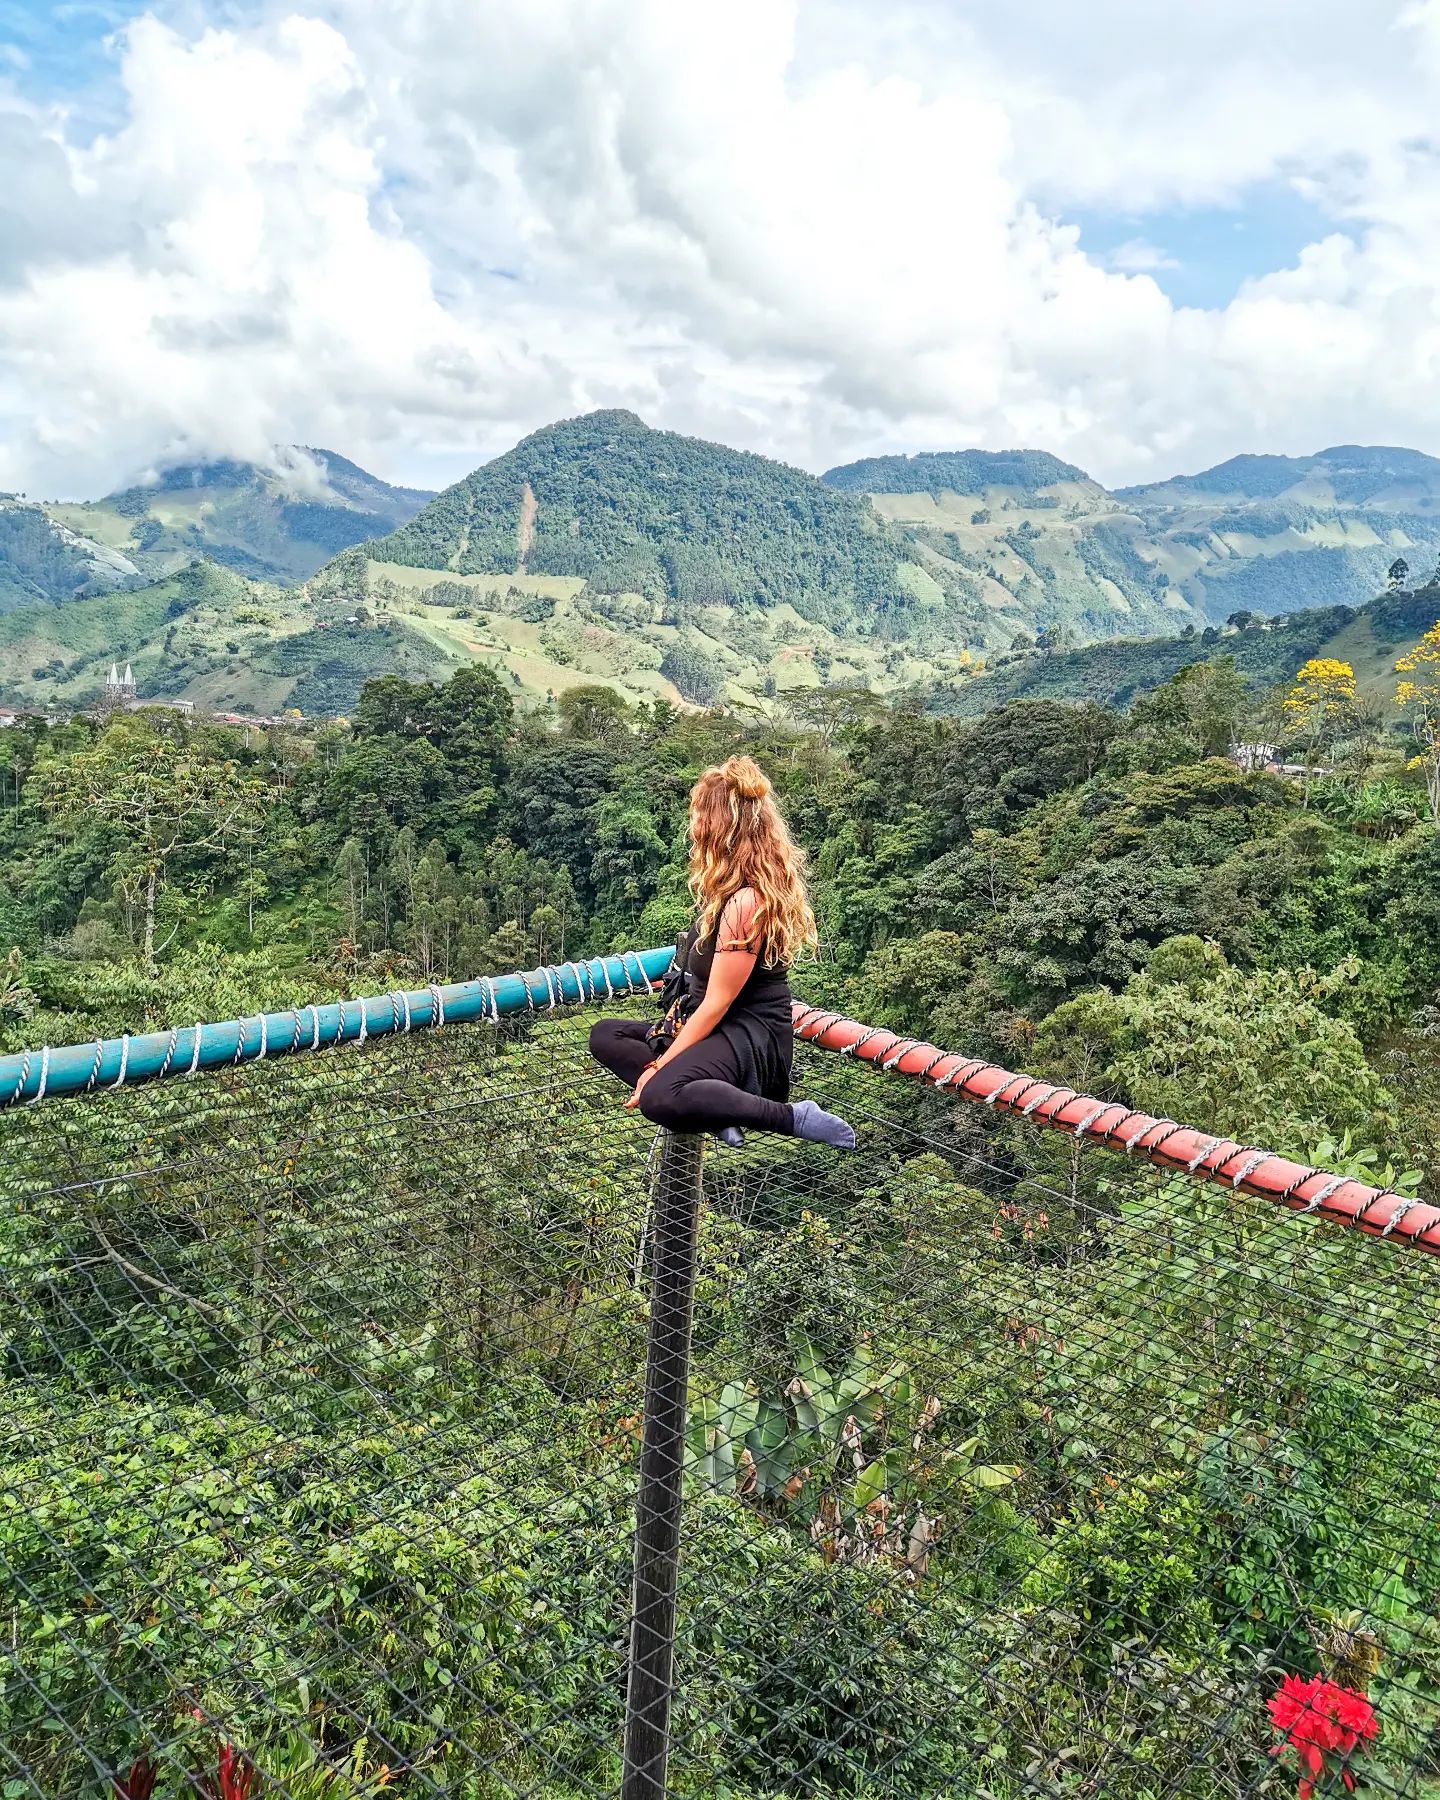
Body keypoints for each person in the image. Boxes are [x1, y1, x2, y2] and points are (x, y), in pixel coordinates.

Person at [588, 755, 856, 1148]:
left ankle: (793, 1117)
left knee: (659, 1096)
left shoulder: (747, 902)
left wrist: (658, 1068)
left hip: (748, 1039)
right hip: (715, 1028)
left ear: (721, 827)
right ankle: (716, 1110)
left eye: (699, 815)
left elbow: (717, 1003)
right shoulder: (727, 890)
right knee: (606, 1035)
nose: (693, 826)